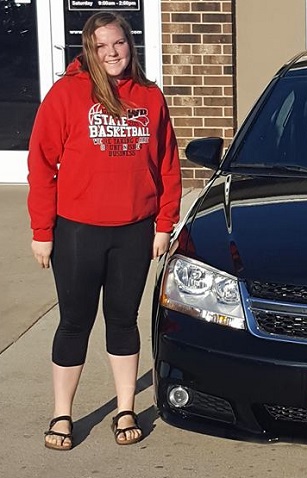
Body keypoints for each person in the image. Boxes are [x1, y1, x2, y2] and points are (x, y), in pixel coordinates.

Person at [27, 11, 182, 450]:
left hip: (134, 231)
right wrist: (43, 229)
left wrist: (163, 224)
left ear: (131, 45)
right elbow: (40, 164)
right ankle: (62, 414)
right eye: (101, 46)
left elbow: (167, 165)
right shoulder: (67, 94)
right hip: (77, 231)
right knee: (74, 322)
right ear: (89, 51)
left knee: (122, 320)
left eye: (119, 43)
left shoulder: (150, 97)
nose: (112, 53)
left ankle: (126, 407)